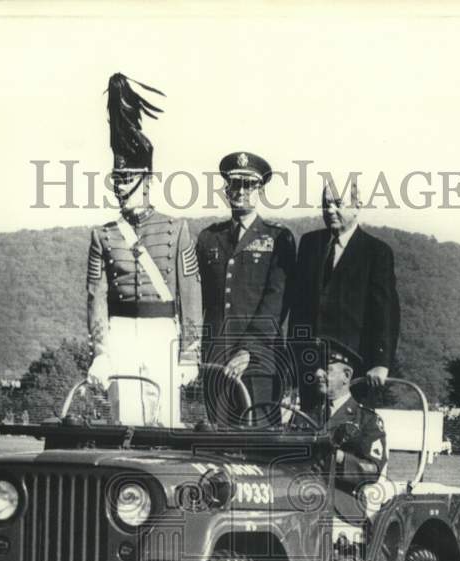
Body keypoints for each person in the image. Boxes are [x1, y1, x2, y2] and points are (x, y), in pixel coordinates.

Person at [87, 73, 202, 427]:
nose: (121, 188)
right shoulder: (102, 235)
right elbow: (96, 298)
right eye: (117, 180)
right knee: (125, 422)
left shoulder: (176, 229)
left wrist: (189, 353)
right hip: (120, 333)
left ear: (147, 181)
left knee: (164, 423)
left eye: (128, 180)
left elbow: (191, 295)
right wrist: (102, 351)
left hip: (162, 333)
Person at [197, 151, 295, 427]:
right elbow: (197, 300)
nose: (240, 191)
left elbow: (276, 302)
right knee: (217, 442)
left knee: (259, 441)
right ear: (226, 189)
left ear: (260, 190)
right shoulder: (209, 238)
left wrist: (248, 350)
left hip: (259, 360)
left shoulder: (277, 238)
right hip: (216, 356)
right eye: (235, 184)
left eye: (248, 185)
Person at [289, 180, 400, 411]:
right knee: (311, 432)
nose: (330, 210)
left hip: (355, 369)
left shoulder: (377, 252)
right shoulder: (309, 244)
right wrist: (294, 356)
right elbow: (298, 307)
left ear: (357, 205)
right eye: (325, 204)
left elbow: (386, 312)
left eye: (338, 204)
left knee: (350, 436)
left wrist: (381, 363)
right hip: (311, 365)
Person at [312, 339, 388, 528]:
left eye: (326, 369)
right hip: (300, 493)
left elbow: (373, 470)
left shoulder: (367, 420)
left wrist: (340, 458)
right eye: (318, 368)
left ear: (346, 375)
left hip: (343, 504)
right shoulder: (307, 415)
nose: (318, 374)